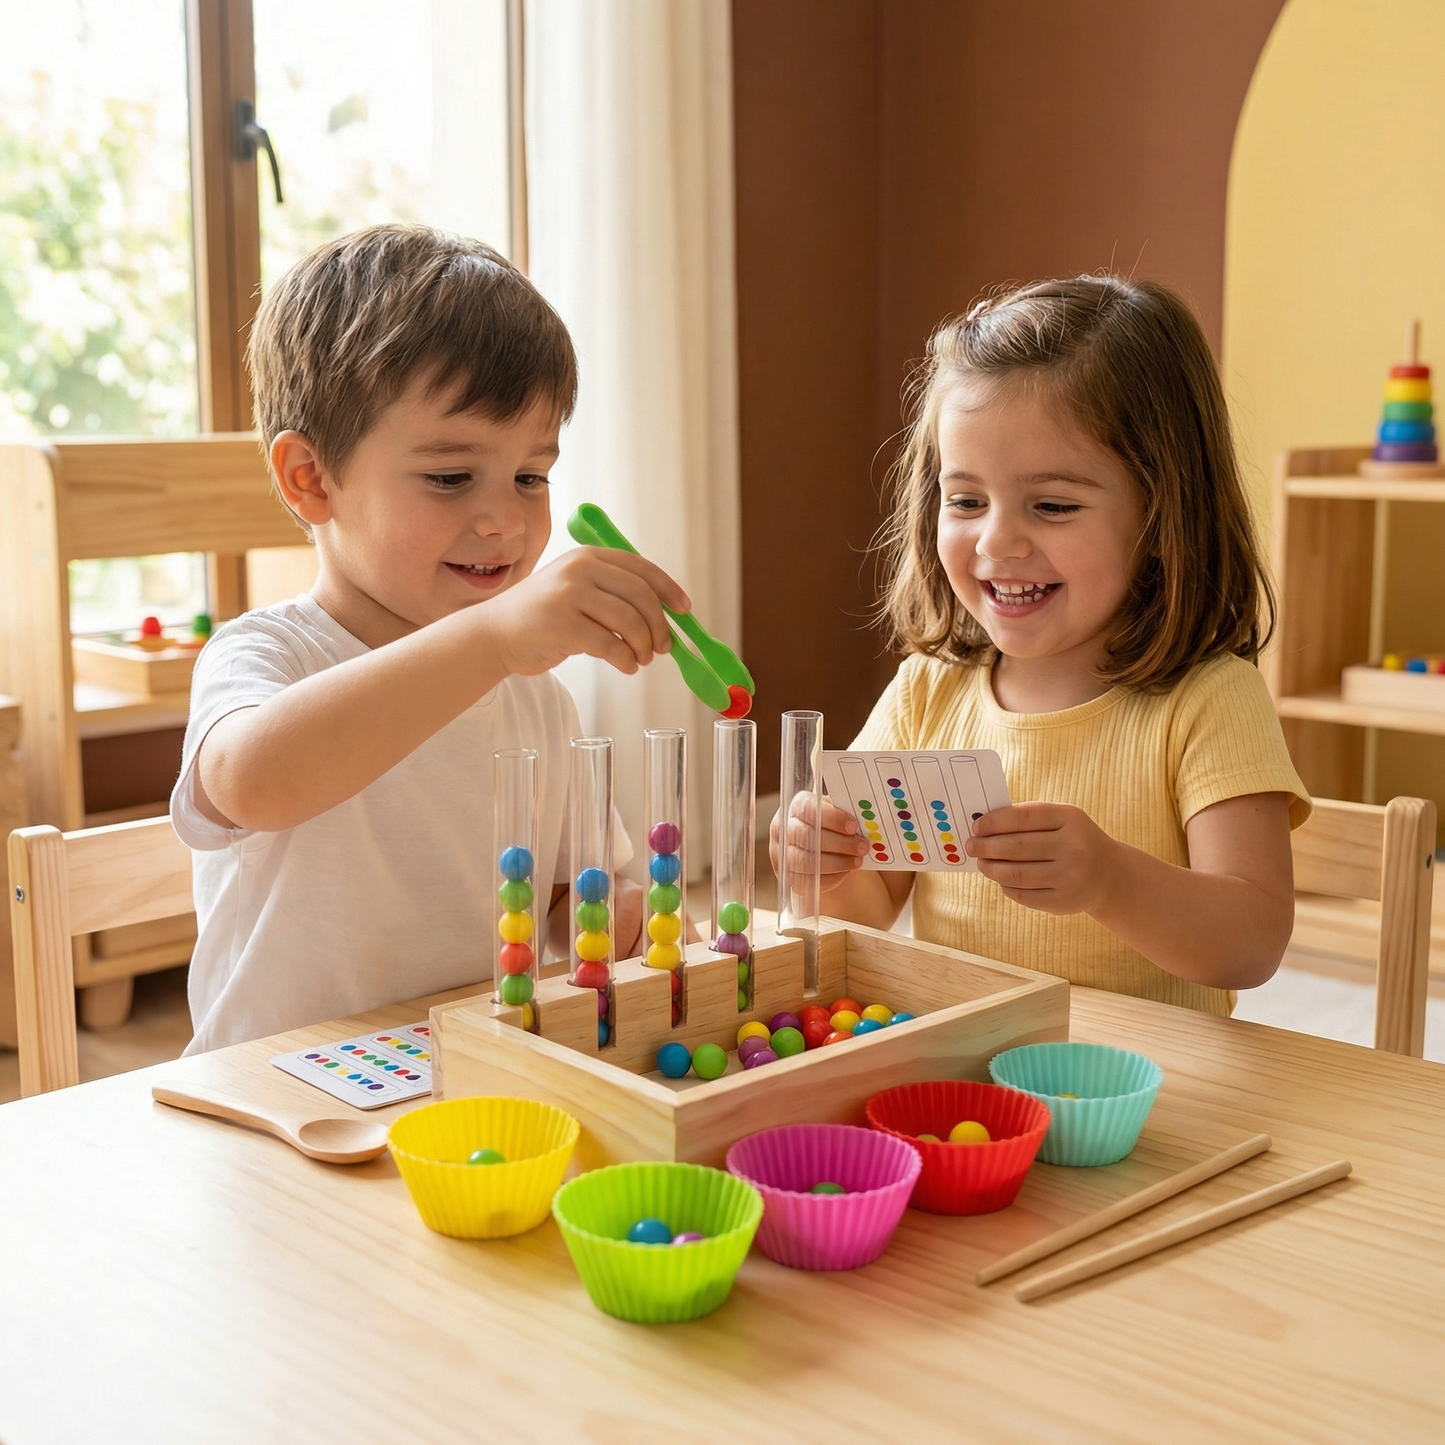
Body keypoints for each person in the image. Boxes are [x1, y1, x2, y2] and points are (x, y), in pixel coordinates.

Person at [172, 225, 688, 1051]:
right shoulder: (265, 655)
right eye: (450, 477)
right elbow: (253, 782)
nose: (505, 518)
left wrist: (618, 916)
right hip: (269, 1101)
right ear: (311, 478)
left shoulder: (533, 694)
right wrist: (491, 640)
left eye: (531, 476)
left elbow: (560, 897)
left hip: (456, 1080)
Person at [780, 275, 1309, 1015]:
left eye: (1052, 505)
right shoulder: (925, 690)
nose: (997, 540)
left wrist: (1110, 880)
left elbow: (1251, 943)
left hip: (1138, 1086)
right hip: (961, 1078)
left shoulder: (1209, 699)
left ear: (1161, 514)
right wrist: (825, 866)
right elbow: (865, 908)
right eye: (964, 500)